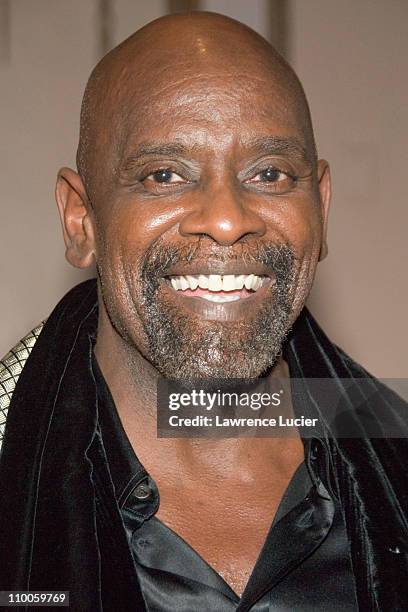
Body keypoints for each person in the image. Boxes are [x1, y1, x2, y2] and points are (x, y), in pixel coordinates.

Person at [0, 11, 407, 612]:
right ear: (81, 219)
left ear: (320, 210)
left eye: (269, 174)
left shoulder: (393, 455)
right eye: (164, 175)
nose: (225, 218)